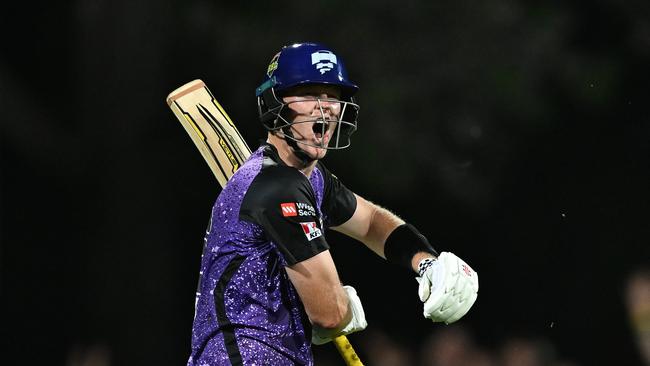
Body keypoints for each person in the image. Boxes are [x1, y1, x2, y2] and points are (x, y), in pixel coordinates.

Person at [187, 42, 479, 366]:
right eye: (309, 93)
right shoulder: (277, 186)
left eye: (332, 96)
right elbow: (329, 312)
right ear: (275, 102)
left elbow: (370, 223)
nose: (324, 107)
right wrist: (341, 307)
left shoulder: (311, 180)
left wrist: (426, 263)